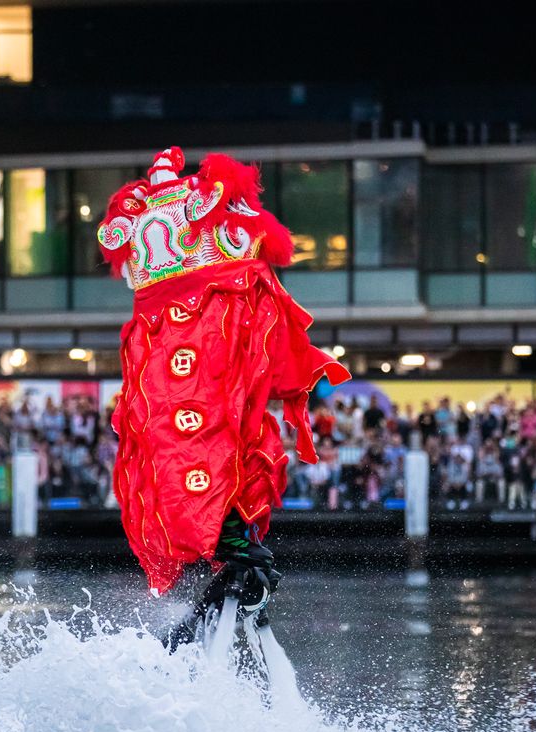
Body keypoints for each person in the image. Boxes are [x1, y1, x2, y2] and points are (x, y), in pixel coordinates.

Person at [98, 147, 350, 632]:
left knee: (212, 441)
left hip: (180, 365)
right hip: (179, 371)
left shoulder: (195, 333)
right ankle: (236, 549)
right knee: (198, 443)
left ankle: (236, 550)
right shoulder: (209, 323)